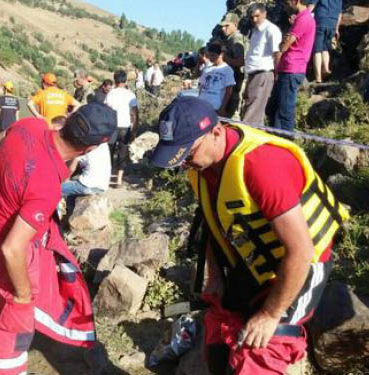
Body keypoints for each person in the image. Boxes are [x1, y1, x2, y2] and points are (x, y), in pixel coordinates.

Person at [149, 96, 348, 375]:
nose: (184, 163)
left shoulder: (261, 165)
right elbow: (212, 222)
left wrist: (270, 315)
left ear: (216, 132)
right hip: (254, 259)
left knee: (262, 349)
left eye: (188, 153)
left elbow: (301, 251)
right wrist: (215, 275)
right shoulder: (202, 165)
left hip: (303, 263)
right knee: (219, 324)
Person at [0, 102, 117, 375]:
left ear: (72, 118)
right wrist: (24, 295)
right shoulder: (46, 185)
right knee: (15, 323)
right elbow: (12, 249)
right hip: (7, 249)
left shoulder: (29, 125)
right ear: (92, 148)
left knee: (1, 306)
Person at [267, 0, 316, 132]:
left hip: (292, 69)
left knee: (284, 111)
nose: (285, 7)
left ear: (296, 1)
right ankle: (276, 141)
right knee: (273, 109)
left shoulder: (304, 19)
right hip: (287, 68)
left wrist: (284, 42)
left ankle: (285, 142)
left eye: (287, 3)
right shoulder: (301, 19)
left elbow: (283, 46)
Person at [241, 3, 283, 125]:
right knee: (252, 109)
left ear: (264, 14)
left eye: (257, 16)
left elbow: (277, 53)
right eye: (251, 17)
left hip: (263, 73)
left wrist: (276, 73)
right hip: (253, 73)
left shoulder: (271, 30)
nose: (254, 20)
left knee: (252, 113)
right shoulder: (255, 31)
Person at [105, 69, 139, 186]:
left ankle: (107, 176)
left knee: (109, 150)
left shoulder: (111, 93)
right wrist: (134, 130)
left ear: (115, 80)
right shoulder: (130, 95)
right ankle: (119, 179)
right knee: (123, 151)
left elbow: (106, 110)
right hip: (125, 126)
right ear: (125, 80)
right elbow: (134, 113)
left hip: (112, 126)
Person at [308, 0, 343, 83]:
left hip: (320, 20)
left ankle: (318, 78)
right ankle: (326, 68)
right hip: (332, 23)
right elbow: (340, 14)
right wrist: (337, 29)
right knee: (325, 48)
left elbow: (311, 6)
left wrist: (302, 16)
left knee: (317, 50)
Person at [220, 12, 246, 118]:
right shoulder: (230, 39)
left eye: (227, 25)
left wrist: (224, 59)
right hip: (231, 82)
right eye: (222, 26)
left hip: (236, 82)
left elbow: (240, 62)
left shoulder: (236, 38)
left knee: (232, 114)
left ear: (235, 25)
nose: (223, 29)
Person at [199, 43, 236, 116]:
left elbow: (228, 91)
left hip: (215, 106)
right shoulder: (207, 69)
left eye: (213, 55)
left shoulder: (227, 70)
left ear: (221, 54)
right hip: (202, 104)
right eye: (210, 56)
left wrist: (222, 107)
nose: (211, 58)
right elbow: (201, 86)